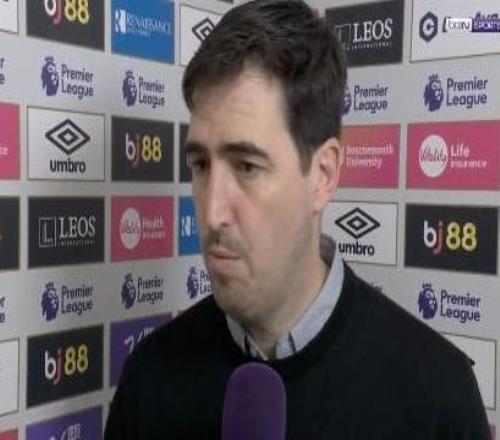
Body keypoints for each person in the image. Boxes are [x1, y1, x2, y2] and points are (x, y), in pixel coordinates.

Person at [105, 0, 490, 438]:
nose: (211, 214)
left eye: (247, 166)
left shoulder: (437, 397)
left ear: (323, 175)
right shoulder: (148, 380)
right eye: (201, 165)